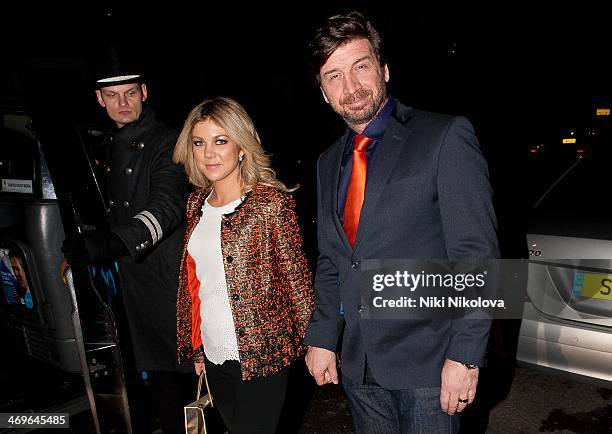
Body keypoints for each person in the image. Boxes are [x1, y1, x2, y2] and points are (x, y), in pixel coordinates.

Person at [303, 11, 500, 434]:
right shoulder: (325, 163)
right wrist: (321, 336)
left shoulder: (444, 137)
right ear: (323, 92)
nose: (351, 87)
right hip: (360, 366)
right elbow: (333, 261)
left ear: (384, 69)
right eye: (334, 76)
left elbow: (476, 256)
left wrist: (465, 356)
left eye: (361, 67)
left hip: (430, 365)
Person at [61, 47, 192, 434]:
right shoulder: (106, 145)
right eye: (113, 95)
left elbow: (166, 209)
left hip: (167, 284)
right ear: (99, 100)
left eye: (130, 93)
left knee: (181, 387)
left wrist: (111, 244)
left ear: (145, 93)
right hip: (130, 284)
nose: (123, 102)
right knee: (155, 386)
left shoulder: (168, 141)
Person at [173, 97, 314, 434]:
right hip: (213, 354)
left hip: (263, 355)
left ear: (241, 146)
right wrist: (197, 349)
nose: (209, 153)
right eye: (199, 143)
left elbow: (298, 283)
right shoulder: (195, 204)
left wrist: (317, 344)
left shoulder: (271, 202)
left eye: (220, 141)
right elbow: (196, 285)